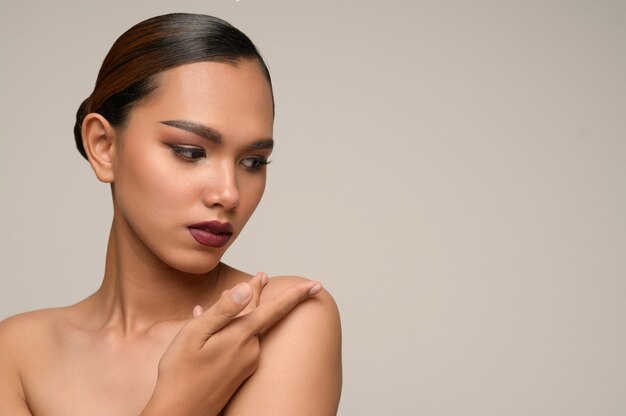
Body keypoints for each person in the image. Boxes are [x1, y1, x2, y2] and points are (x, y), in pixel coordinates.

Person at [0, 13, 342, 415]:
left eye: (252, 162)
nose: (228, 194)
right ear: (103, 147)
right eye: (190, 152)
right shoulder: (16, 352)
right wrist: (181, 401)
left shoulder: (280, 319)